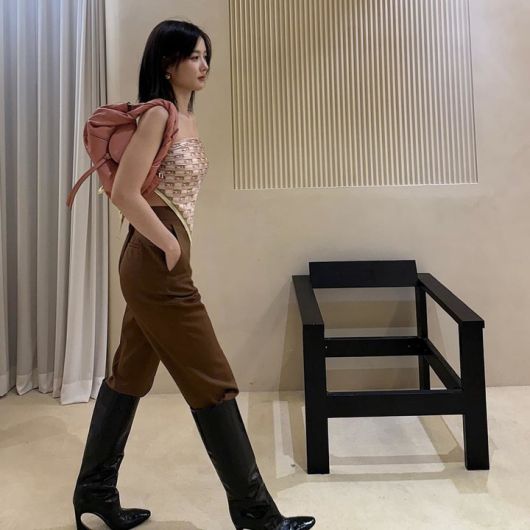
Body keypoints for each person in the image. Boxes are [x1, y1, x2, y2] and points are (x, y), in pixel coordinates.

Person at [72, 19, 316, 530]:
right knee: (213, 381)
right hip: (155, 261)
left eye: (207, 56)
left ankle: (94, 491)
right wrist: (167, 245)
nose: (205, 65)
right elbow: (125, 193)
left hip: (159, 259)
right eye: (195, 56)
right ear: (168, 63)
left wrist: (172, 247)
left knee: (129, 374)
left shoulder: (187, 117)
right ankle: (255, 514)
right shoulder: (159, 114)